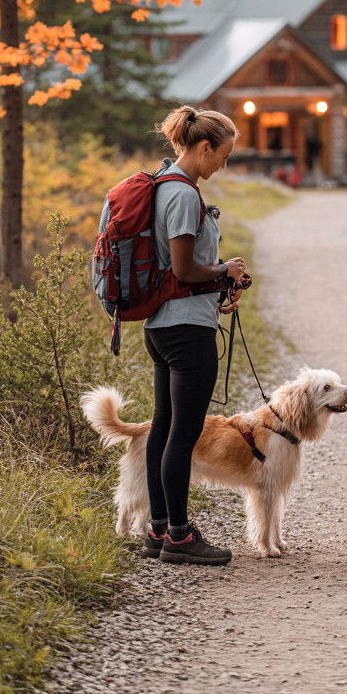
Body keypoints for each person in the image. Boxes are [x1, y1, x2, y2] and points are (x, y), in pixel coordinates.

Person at [141, 105, 249, 567]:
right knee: (182, 435)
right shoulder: (184, 194)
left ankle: (159, 529)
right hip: (186, 331)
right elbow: (184, 268)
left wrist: (219, 284)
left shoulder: (161, 184)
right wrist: (225, 270)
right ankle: (180, 539)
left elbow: (175, 270)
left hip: (161, 325)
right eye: (222, 155)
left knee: (163, 428)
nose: (222, 164)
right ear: (203, 147)